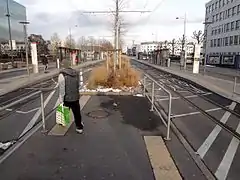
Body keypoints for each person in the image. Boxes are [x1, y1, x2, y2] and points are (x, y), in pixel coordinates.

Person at [58, 59, 83, 133]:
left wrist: (61, 99)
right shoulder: (76, 73)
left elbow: (62, 88)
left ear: (63, 65)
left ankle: (64, 122)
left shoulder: (62, 75)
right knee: (77, 113)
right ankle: (79, 127)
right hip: (75, 97)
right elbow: (78, 85)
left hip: (67, 97)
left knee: (65, 110)